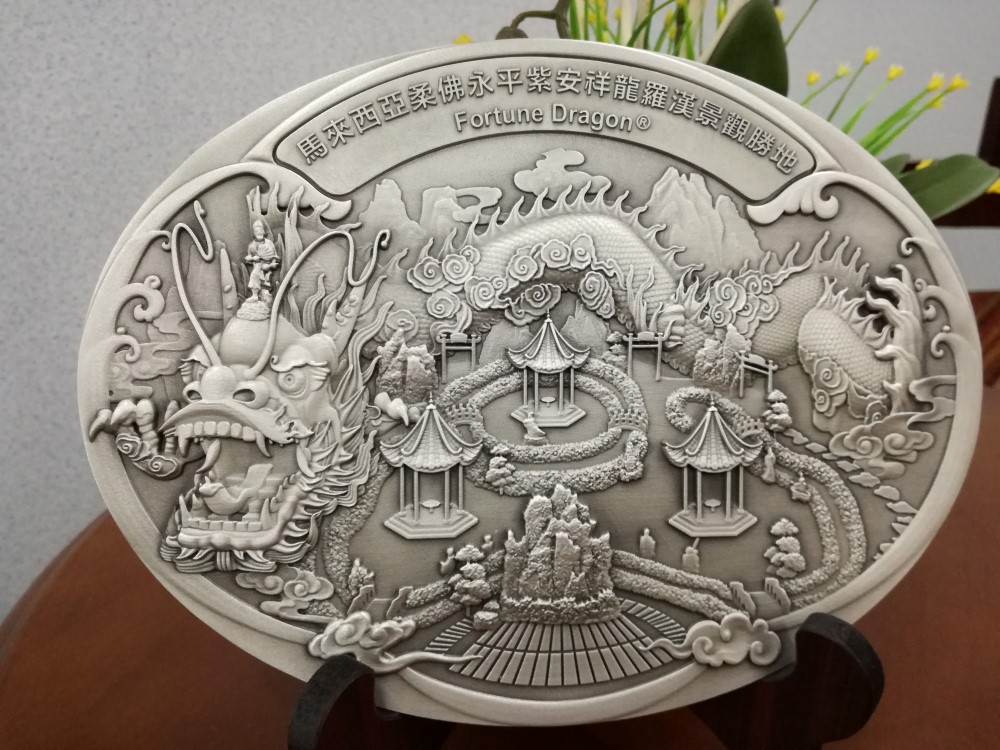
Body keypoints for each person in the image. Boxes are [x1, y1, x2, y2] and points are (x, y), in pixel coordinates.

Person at [245, 220, 280, 302]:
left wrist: (273, 264)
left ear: (263, 231)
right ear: (254, 233)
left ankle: (265, 294)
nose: (259, 233)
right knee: (254, 274)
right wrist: (252, 258)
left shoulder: (269, 243)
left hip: (267, 265)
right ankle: (255, 295)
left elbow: (275, 255)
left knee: (261, 277)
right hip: (258, 265)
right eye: (256, 231)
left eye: (260, 230)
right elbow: (249, 257)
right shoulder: (252, 245)